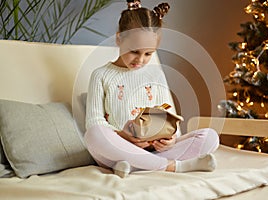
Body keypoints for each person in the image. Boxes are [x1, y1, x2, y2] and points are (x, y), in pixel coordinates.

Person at [84, 0, 219, 178]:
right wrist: (124, 136)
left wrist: (170, 140)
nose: (140, 60)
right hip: (118, 147)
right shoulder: (101, 75)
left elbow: (171, 119)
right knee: (93, 135)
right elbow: (94, 123)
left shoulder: (155, 75)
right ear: (119, 38)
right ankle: (172, 167)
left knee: (210, 137)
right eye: (134, 51)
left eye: (148, 54)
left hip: (154, 151)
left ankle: (133, 167)